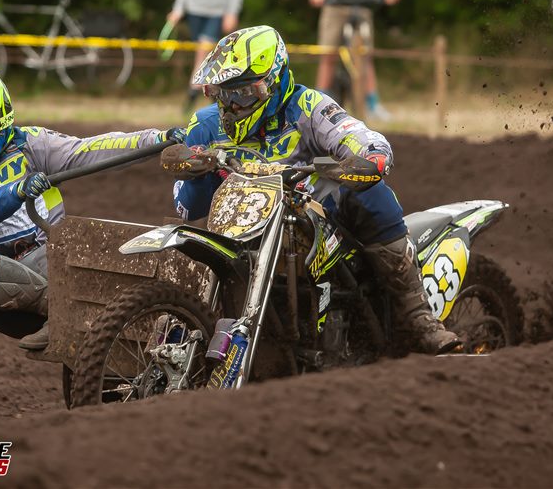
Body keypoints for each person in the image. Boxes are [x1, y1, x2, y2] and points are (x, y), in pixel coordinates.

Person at [161, 26, 459, 354]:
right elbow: (188, 208)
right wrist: (194, 169)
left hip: (305, 216)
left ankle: (419, 316)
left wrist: (371, 155)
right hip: (238, 222)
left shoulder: (307, 106)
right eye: (221, 93)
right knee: (191, 233)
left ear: (272, 83)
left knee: (369, 192)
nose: (230, 106)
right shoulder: (206, 124)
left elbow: (354, 133)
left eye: (241, 94)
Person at [0, 72, 179, 350]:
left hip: (52, 259)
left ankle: (163, 329)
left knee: (105, 249)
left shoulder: (29, 144)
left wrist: (158, 138)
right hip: (3, 299)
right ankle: (65, 311)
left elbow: (89, 150)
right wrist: (17, 190)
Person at [307, 0, 404, 121]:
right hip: (335, 5)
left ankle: (372, 104)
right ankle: (316, 105)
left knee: (365, 56)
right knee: (328, 55)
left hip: (363, 5)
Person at [167, 0, 244, 113]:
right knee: (206, 55)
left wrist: (232, 11)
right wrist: (178, 8)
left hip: (218, 10)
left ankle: (193, 91)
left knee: (203, 53)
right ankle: (215, 102)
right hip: (194, 8)